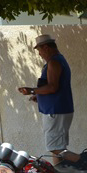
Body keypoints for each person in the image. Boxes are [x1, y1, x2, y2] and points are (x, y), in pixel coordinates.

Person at [17, 34, 74, 164]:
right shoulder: (58, 60)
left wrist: (31, 90)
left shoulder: (54, 62)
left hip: (55, 111)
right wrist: (39, 96)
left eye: (39, 50)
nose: (39, 54)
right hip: (58, 110)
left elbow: (53, 87)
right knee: (58, 148)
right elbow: (53, 88)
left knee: (55, 149)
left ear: (46, 47)